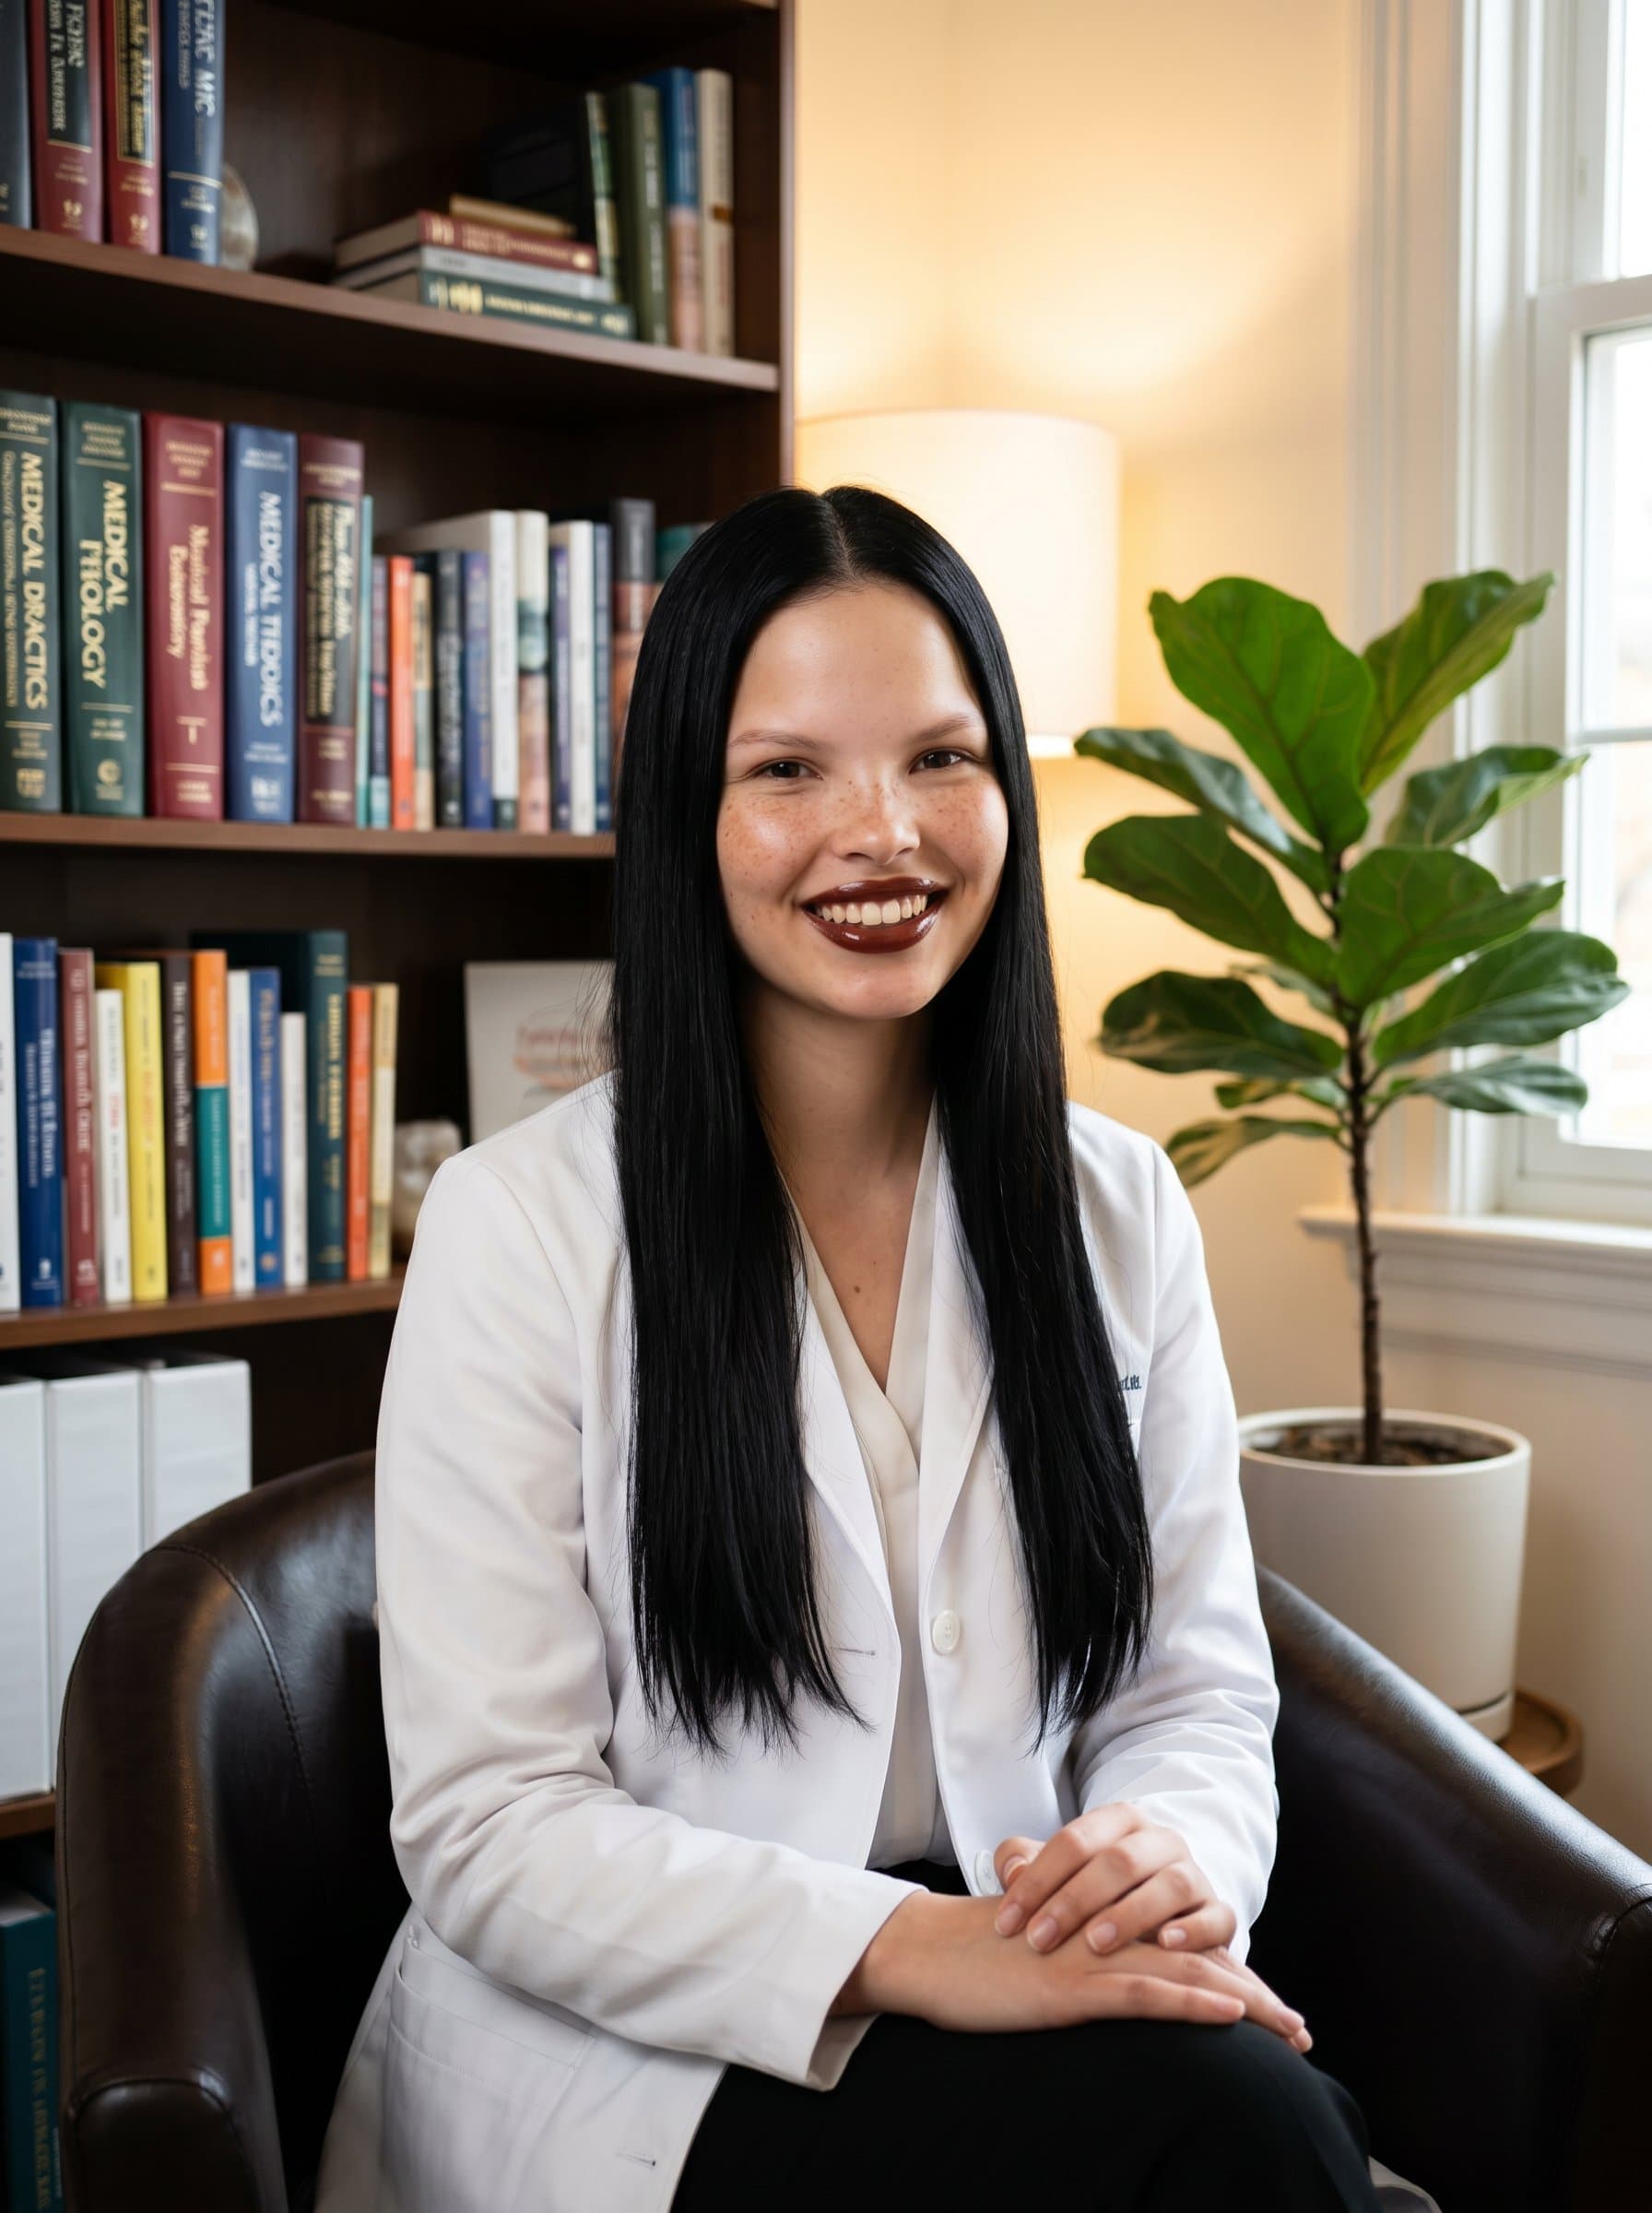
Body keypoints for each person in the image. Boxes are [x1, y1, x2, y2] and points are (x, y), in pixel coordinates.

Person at [313, 485, 1387, 2213]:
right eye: (790, 770)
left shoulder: (1118, 1203)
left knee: (1250, 2120)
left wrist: (1158, 1858)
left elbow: (1189, 1685)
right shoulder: (520, 1227)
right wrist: (917, 1948)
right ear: (689, 811)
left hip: (1024, 1962)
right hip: (643, 2051)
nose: (882, 834)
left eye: (941, 759)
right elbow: (490, 1822)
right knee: (1243, 2136)